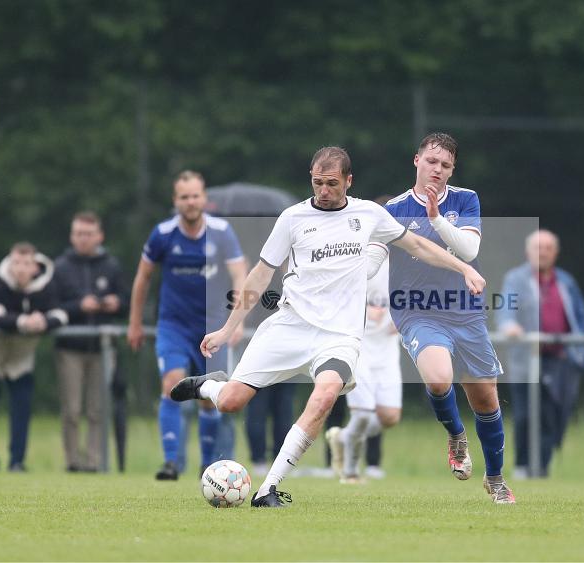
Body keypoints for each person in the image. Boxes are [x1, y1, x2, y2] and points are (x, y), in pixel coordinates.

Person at [170, 146, 491, 507]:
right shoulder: (292, 218)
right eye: (317, 182)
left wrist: (464, 268)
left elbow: (418, 244)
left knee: (323, 398)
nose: (323, 191)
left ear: (348, 182)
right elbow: (260, 275)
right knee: (230, 402)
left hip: (339, 337)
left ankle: (268, 489)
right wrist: (227, 330)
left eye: (332, 184)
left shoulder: (369, 214)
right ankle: (211, 386)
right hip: (290, 325)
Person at [375, 132, 515, 502]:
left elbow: (469, 249)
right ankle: (456, 435)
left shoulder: (465, 199)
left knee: (485, 399)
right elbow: (375, 259)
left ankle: (496, 479)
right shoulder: (394, 209)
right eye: (432, 161)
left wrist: (437, 219)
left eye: (446, 165)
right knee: (439, 379)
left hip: (464, 312)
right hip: (417, 309)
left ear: (452, 170)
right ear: (416, 161)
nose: (438, 169)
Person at [127, 170, 248, 481]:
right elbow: (143, 278)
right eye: (184, 197)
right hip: (174, 327)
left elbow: (240, 275)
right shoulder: (163, 234)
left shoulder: (222, 232)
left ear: (204, 198)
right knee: (171, 384)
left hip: (212, 327)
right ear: (175, 201)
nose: (191, 202)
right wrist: (135, 323)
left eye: (195, 196)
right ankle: (170, 463)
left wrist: (236, 323)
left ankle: (207, 467)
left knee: (209, 398)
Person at [0, 242, 68, 472]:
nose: (20, 269)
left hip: (20, 360)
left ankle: (16, 462)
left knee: (21, 412)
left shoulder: (47, 286)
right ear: (10, 263)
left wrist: (44, 322)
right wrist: (23, 322)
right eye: (16, 263)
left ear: (35, 266)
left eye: (26, 264)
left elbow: (60, 314)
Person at [498, 229, 584, 478]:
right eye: (538, 248)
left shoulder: (566, 281)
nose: (543, 253)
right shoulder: (515, 279)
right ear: (528, 252)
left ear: (556, 253)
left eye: (548, 248)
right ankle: (522, 466)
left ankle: (542, 468)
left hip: (560, 360)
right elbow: (505, 311)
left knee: (553, 417)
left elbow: (580, 317)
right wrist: (510, 326)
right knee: (525, 415)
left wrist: (579, 347)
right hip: (526, 360)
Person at [53, 211, 129, 472]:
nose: (83, 239)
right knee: (71, 410)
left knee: (98, 410)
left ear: (99, 236)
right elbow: (52, 307)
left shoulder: (112, 266)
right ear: (71, 236)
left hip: (102, 349)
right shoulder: (60, 267)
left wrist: (115, 303)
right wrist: (78, 306)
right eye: (78, 234)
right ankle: (73, 462)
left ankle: (95, 462)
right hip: (70, 349)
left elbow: (127, 304)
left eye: (88, 234)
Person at [326, 251, 402, 483]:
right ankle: (350, 473)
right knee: (362, 413)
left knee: (390, 416)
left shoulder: (403, 262)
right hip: (358, 347)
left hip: (387, 350)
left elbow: (416, 301)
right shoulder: (353, 259)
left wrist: (404, 319)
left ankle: (343, 438)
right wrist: (365, 311)